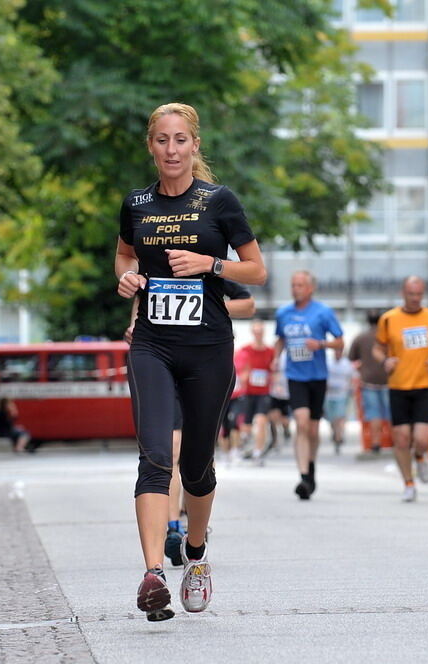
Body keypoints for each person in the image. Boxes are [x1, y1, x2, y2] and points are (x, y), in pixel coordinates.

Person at [115, 102, 266, 621]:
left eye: (181, 140)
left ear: (194, 146)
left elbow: (257, 271)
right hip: (152, 343)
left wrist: (210, 263)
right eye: (162, 140)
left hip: (208, 348)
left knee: (197, 466)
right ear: (151, 146)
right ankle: (154, 574)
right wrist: (128, 277)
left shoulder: (219, 202)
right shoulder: (136, 203)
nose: (171, 149)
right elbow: (124, 255)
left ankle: (196, 555)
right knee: (156, 455)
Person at [124, 280, 255, 568]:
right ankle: (172, 527)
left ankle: (195, 525)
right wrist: (136, 327)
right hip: (161, 363)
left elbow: (248, 303)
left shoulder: (208, 264)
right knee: (167, 452)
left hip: (202, 363)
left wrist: (211, 308)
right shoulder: (152, 263)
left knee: (195, 457)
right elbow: (139, 306)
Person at [274, 270, 344, 500]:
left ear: (310, 288)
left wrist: (321, 345)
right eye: (293, 285)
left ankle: (311, 467)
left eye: (300, 285)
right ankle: (304, 476)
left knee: (313, 428)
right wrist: (275, 360)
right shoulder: (283, 313)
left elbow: (340, 342)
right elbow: (281, 339)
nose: (296, 289)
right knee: (301, 423)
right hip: (295, 376)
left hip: (317, 376)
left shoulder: (323, 312)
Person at [373, 276, 428, 503]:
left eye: (419, 294)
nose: (415, 298)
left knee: (422, 439)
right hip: (398, 386)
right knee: (401, 438)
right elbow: (378, 348)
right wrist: (385, 361)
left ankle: (421, 456)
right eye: (411, 294)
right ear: (403, 293)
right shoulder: (389, 319)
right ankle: (409, 483)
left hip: (424, 384)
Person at [348, 309, 390, 458]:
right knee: (392, 413)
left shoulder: (360, 338)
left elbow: (352, 358)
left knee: (374, 414)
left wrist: (362, 368)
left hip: (368, 382)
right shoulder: (387, 336)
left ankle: (376, 444)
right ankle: (395, 443)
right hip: (389, 380)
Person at [239, 320, 275, 464]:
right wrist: (243, 375)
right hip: (248, 392)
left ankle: (258, 452)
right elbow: (239, 367)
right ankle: (245, 441)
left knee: (261, 422)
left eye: (261, 331)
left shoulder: (270, 351)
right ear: (252, 333)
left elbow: (273, 370)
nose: (258, 334)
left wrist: (275, 378)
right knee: (246, 428)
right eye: (256, 331)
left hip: (263, 392)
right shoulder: (245, 350)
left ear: (264, 333)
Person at [324, 350, 354, 453]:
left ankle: (338, 437)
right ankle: (336, 433)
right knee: (331, 418)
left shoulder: (346, 364)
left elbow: (351, 378)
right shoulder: (328, 362)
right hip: (329, 395)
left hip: (342, 394)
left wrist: (350, 390)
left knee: (339, 417)